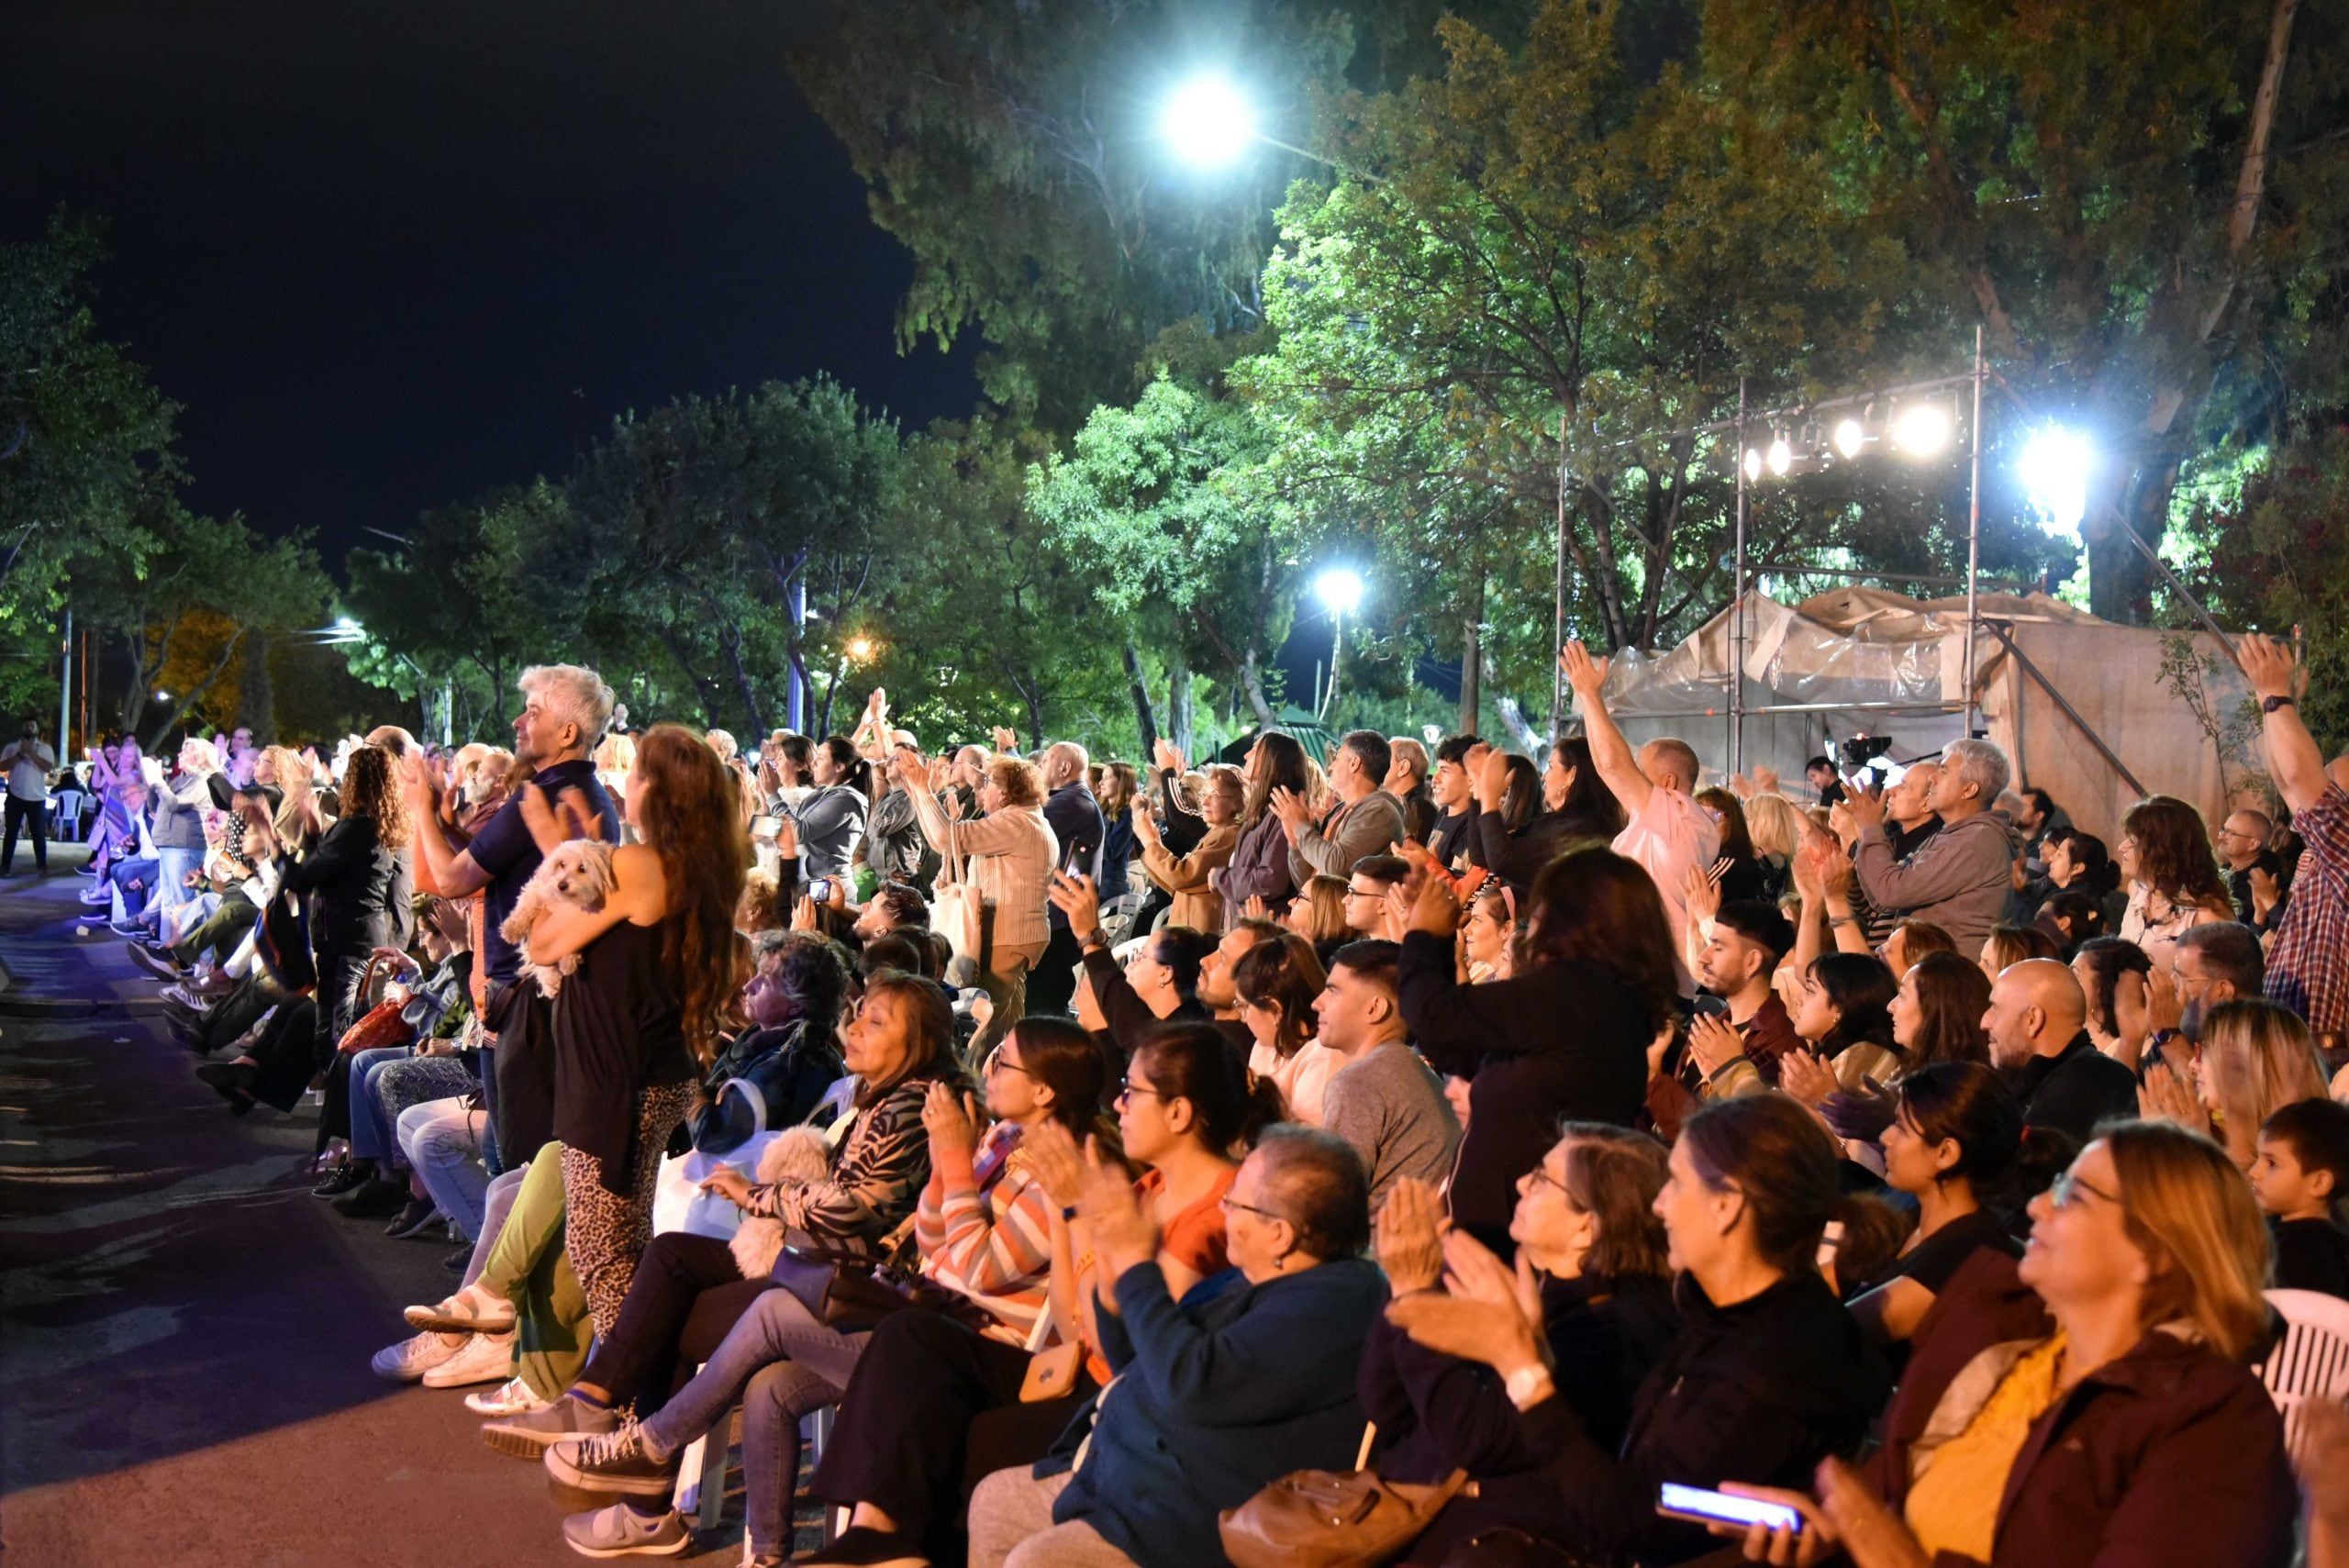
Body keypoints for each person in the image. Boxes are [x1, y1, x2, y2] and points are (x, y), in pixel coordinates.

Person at [551, 1014, 1102, 1565]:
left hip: (964, 1349)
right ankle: (765, 1555)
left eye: (1003, 1061)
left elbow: (979, 1266)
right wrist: (947, 1166)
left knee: (769, 1308)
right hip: (923, 1316)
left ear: (1044, 1089)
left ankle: (651, 1446)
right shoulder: (1002, 1138)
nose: (989, 1068)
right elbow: (936, 1241)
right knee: (768, 1385)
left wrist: (954, 1163)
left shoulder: (1057, 1170)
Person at [1727, 1122, 2292, 1568]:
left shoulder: (2212, 1421)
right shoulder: (2006, 1346)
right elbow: (1886, 1509)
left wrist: (1886, 1553)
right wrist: (1829, 1534)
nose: (2037, 1206)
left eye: (2073, 1195)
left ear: (2155, 1251)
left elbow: (1889, 1542)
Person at [1397, 1095, 1888, 1566]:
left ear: (1727, 1206)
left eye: (1676, 1183)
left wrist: (1521, 1368)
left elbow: (1634, 1518)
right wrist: (1537, 1355)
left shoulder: (1769, 1371)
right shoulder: (1737, 1315)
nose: (1659, 1206)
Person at [966, 1126, 1388, 1568]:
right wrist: (1114, 1286)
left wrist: (1136, 1266)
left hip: (1190, 1518)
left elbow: (1193, 1384)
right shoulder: (1251, 1277)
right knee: (995, 1503)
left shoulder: (1333, 1306)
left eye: (1235, 1202)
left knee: (1037, 1562)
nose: (1224, 1210)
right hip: (1131, 1474)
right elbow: (1137, 1361)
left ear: (1280, 1234)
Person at [501, 723, 747, 1340]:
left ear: (659, 792)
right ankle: (624, 1395)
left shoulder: (639, 864)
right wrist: (569, 847)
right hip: (641, 1072)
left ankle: (631, 1407)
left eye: (635, 773)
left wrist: (556, 846)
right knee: (620, 1246)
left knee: (604, 1256)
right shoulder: (691, 866)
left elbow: (542, 939)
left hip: (616, 1080)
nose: (623, 782)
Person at [1364, 1131, 1678, 1562]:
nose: (1519, 1185)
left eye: (1540, 1179)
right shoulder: (1537, 1294)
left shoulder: (1615, 1334)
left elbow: (1478, 1438)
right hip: (1405, 1519)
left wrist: (1414, 1294)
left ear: (1586, 1227)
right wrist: (1406, 1285)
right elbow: (1385, 1404)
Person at [402, 663, 621, 1173]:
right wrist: (437, 818)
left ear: (568, 732)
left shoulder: (540, 797)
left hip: (529, 1006)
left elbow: (448, 881)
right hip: (529, 1001)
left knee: (522, 1164)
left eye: (533, 712)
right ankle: (500, 1248)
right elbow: (475, 864)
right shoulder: (578, 792)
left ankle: (514, 1252)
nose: (519, 723)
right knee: (510, 1154)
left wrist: (418, 809)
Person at [1399, 845, 1672, 1253]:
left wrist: (1422, 936)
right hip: (1510, 1231)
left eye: (1545, 908)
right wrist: (1434, 940)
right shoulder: (1598, 998)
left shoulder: (1574, 994)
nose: (1535, 921)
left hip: (1523, 1239)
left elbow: (1435, 1017)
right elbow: (1461, 1051)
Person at [1560, 640, 1720, 957]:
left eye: (1640, 768)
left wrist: (1590, 695)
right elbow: (1608, 770)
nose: (1631, 774)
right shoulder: (1653, 821)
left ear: (1668, 782)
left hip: (1655, 976)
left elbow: (1612, 766)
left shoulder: (1682, 817)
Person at [1845, 1064, 2024, 1347]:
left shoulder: (1965, 1258)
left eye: (1901, 1129)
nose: (1884, 1137)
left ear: (1945, 1153)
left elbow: (1833, 1336)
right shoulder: (1912, 1221)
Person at [902, 749, 1056, 1050]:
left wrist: (923, 790)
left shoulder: (1017, 823)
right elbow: (947, 840)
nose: (982, 790)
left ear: (1008, 792)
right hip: (1015, 935)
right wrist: (917, 793)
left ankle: (985, 1088)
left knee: (985, 1026)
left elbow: (946, 838)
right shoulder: (1024, 821)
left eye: (990, 784)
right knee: (1008, 1022)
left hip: (1006, 936)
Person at [1312, 939, 1461, 1211]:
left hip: (1377, 1250)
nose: (1316, 1003)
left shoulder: (1360, 1083)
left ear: (1375, 1008)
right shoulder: (1410, 1068)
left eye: (1333, 992)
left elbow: (1328, 1203)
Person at [1844, 739, 2017, 954]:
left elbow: (1891, 893)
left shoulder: (1976, 841)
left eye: (1943, 772)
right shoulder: (1953, 835)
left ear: (1969, 790)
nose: (1933, 777)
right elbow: (1884, 901)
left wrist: (1870, 828)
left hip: (1947, 976)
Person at [1649, 900, 1799, 1138]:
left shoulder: (1779, 1046)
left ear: (1752, 962)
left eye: (1718, 947)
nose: (1703, 957)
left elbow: (1720, 1139)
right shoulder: (1713, 1025)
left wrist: (1653, 1079)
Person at [2150, 996, 2329, 1173]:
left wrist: (2194, 1155)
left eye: (2204, 1053)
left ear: (2249, 1066)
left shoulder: (2294, 1171)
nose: (2192, 1065)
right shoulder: (2215, 1136)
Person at [1982, 958, 2136, 1145]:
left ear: (2033, 1020)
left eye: (1995, 1008)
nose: (1984, 1022)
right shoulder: (2098, 1075)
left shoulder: (2066, 1105)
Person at [1467, 736, 1626, 892]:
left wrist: (1489, 799)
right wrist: (1478, 793)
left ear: (1572, 775)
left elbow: (1502, 860)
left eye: (1550, 767)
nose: (1544, 777)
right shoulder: (1551, 822)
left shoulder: (1583, 831)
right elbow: (1481, 855)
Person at [1028, 740, 1105, 1016]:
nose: (1040, 766)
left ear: (1064, 767)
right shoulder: (1068, 798)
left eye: (1045, 760)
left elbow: (1023, 828)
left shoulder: (1072, 801)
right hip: (1059, 916)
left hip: (1060, 920)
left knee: (1044, 1004)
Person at [1275, 728, 1407, 888]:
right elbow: (1307, 883)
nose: (1330, 767)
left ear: (1354, 763)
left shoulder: (1380, 811)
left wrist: (1301, 827)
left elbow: (1336, 868)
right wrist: (1296, 844)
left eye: (1336, 759)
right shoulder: (1338, 811)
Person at [1233, 931, 1342, 1124]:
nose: (1242, 1018)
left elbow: (1307, 1145)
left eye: (1243, 1007)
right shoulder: (1263, 1047)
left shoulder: (1323, 1058)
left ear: (1275, 1009)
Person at [2115, 795, 2234, 962]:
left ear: (2163, 849)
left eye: (2132, 840)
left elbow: (2232, 977)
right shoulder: (2137, 892)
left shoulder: (2205, 914)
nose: (2121, 847)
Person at [2254, 1096, 2349, 1298]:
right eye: (2258, 1158)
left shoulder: (2301, 1251)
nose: (2255, 1172)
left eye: (2272, 1163)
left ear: (2318, 1183)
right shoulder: (2335, 1241)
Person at [1211, 730, 1309, 927]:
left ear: (1273, 761)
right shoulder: (1263, 811)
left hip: (1266, 931)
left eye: (1255, 751)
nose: (1246, 755)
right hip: (1250, 924)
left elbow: (1270, 880)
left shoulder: (1284, 811)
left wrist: (1220, 877)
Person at [1131, 762, 1239, 932]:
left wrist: (1151, 843)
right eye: (1204, 794)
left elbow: (1183, 876)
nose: (1204, 801)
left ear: (1237, 801)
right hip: (1187, 923)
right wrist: (1153, 842)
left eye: (1214, 795)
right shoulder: (1216, 832)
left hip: (1198, 930)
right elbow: (1174, 884)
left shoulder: (1228, 835)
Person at [795, 733, 872, 882]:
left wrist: (772, 795)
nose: (813, 763)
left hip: (830, 888)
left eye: (821, 758)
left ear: (839, 767)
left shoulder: (845, 799)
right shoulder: (821, 794)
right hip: (812, 884)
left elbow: (797, 833)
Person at [2, 718, 57, 876]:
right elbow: (3, 766)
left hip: (37, 798)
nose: (29, 728)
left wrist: (31, 752)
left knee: (38, 834)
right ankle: (5, 867)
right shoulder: (12, 747)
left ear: (37, 730)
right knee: (11, 833)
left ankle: (42, 866)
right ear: (22, 728)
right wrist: (20, 754)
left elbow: (47, 767)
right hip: (15, 795)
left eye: (32, 726)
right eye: (26, 725)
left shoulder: (45, 748)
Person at [1425, 733, 1484, 870]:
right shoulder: (1443, 812)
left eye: (1445, 771)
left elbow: (1458, 883)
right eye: (1437, 769)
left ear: (1471, 777)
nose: (1435, 779)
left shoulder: (1474, 824)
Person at [2218, 806, 2274, 923]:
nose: (2221, 837)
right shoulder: (2224, 870)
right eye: (2223, 830)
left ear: (2252, 844)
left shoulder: (2262, 880)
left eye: (2230, 833)